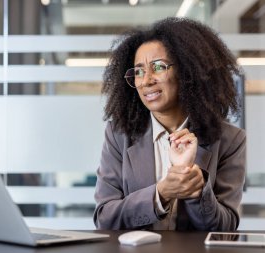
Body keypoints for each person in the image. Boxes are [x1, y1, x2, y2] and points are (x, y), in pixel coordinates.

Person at [93, 17, 246, 231]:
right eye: (138, 71)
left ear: (187, 72)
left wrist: (197, 190)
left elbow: (226, 227)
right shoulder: (119, 135)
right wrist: (161, 193)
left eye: (158, 67)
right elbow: (104, 218)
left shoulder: (230, 140)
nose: (146, 81)